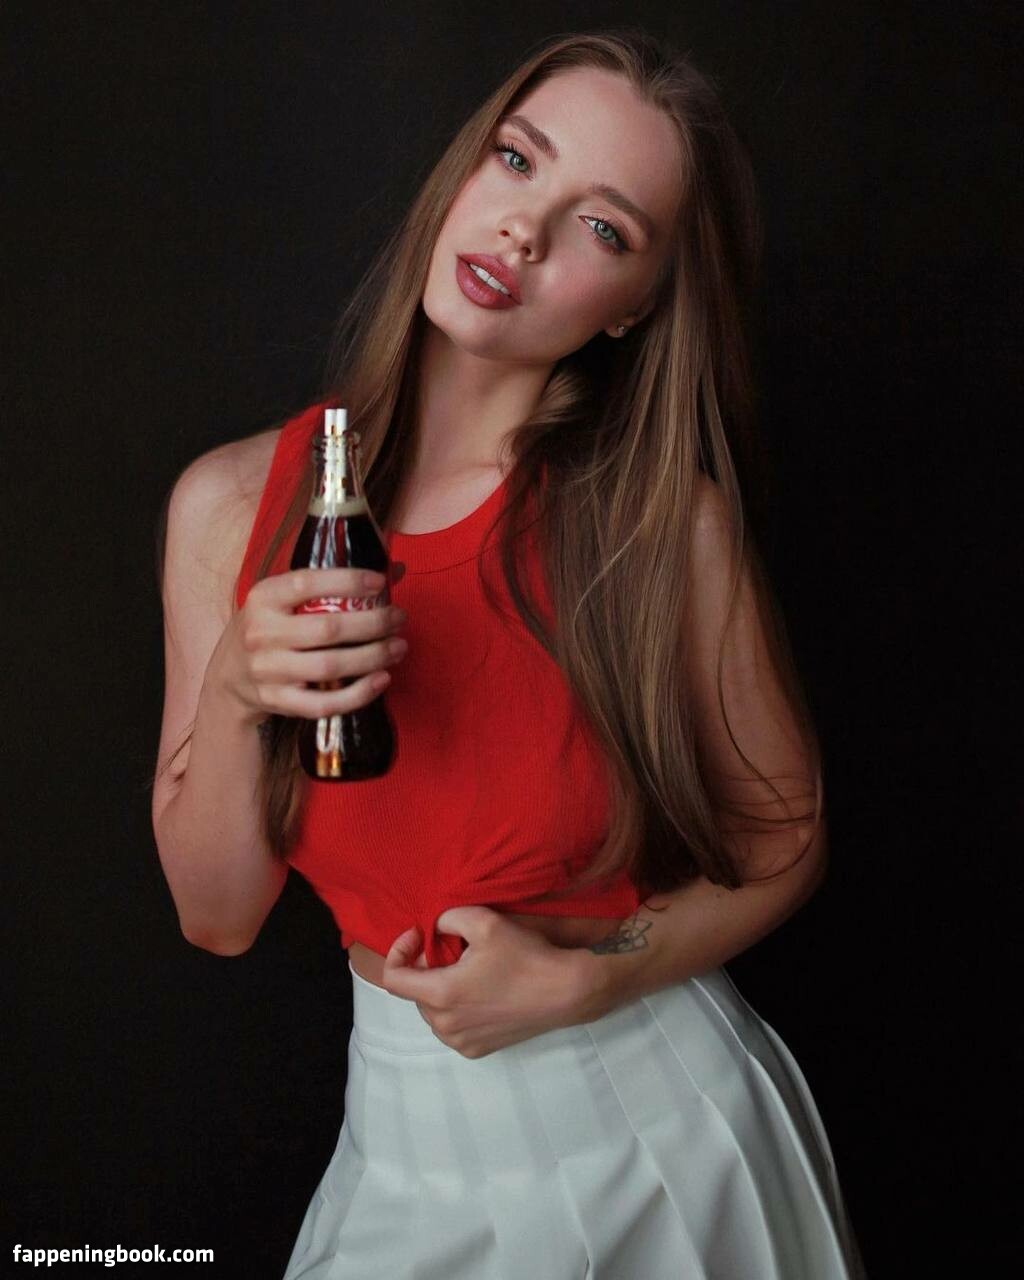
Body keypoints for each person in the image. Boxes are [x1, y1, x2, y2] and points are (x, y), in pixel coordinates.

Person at [152, 27, 868, 1280]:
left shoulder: (659, 526)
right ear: (462, 170)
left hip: (659, 1137)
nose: (523, 231)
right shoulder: (228, 508)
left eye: (601, 226)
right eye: (517, 159)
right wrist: (236, 687)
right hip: (394, 1138)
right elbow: (216, 916)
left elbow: (785, 837)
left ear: (635, 303)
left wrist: (594, 976)